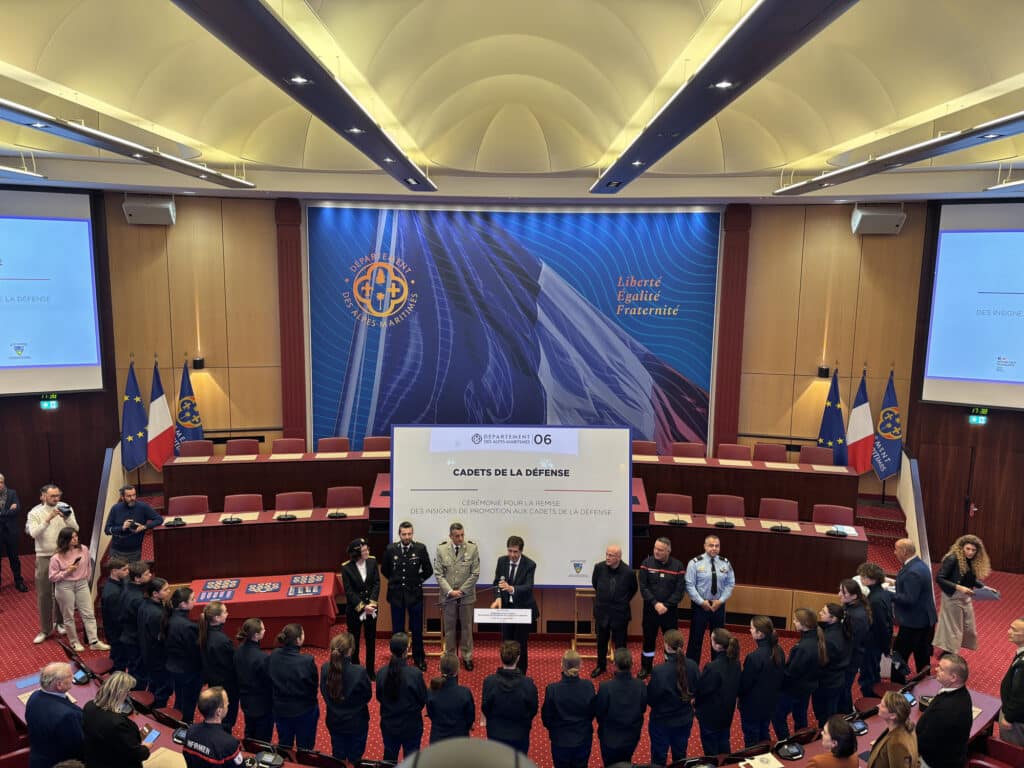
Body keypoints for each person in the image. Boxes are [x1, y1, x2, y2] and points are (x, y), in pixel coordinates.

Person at [26, 484, 78, 643]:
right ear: (42, 496)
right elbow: (33, 533)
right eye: (52, 496)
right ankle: (46, 629)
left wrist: (67, 518)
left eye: (58, 495)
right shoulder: (35, 513)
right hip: (44, 557)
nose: (56, 499)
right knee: (44, 594)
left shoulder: (66, 508)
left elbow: (76, 528)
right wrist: (47, 520)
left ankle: (61, 623)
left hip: (64, 555)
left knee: (62, 592)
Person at [381, 521, 434, 671]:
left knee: (416, 630)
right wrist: (395, 581)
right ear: (399, 534)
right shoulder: (391, 549)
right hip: (396, 595)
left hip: (414, 595)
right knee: (398, 631)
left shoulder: (420, 548)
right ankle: (398, 659)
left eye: (409, 534)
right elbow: (385, 570)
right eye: (404, 534)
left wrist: (418, 580)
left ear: (412, 533)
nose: (407, 537)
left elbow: (428, 570)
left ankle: (419, 658)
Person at [48, 527, 108, 652]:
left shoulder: (84, 549)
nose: (76, 539)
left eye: (76, 536)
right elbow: (52, 577)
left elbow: (88, 566)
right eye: (72, 537)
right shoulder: (56, 557)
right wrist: (67, 572)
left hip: (81, 584)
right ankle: (74, 642)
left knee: (88, 613)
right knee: (68, 615)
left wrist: (86, 578)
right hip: (64, 585)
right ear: (65, 540)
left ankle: (94, 641)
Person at [646, 629, 698, 766]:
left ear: (667, 646)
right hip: (684, 720)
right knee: (680, 756)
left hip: (661, 722)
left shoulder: (659, 671)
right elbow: (697, 690)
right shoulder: (693, 666)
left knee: (658, 757)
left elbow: (651, 699)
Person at [773, 607, 826, 739]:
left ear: (805, 624)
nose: (794, 622)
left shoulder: (802, 647)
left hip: (793, 689)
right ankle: (802, 739)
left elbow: (792, 672)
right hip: (807, 687)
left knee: (778, 715)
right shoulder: (817, 639)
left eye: (796, 620)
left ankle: (785, 742)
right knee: (800, 715)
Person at [934, 534, 991, 656]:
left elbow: (969, 578)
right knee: (954, 628)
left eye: (973, 550)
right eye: (968, 549)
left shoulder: (972, 561)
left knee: (968, 627)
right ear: (961, 548)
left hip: (965, 597)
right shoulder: (952, 558)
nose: (970, 552)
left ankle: (950, 650)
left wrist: (983, 587)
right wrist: (959, 587)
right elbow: (939, 578)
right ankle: (949, 654)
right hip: (952, 597)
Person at [433, 522, 480, 670]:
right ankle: (450, 658)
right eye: (457, 536)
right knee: (449, 628)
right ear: (450, 536)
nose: (460, 538)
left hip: (466, 596)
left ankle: (467, 657)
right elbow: (439, 574)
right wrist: (450, 591)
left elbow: (475, 573)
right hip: (448, 596)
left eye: (462, 535)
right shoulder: (441, 549)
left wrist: (461, 591)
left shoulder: (472, 548)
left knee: (466, 628)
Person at [321, 631, 372, 764]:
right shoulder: (359, 672)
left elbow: (324, 692)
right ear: (350, 651)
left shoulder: (325, 668)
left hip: (334, 721)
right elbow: (367, 696)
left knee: (338, 756)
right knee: (356, 758)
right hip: (357, 723)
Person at [638, 536, 686, 678]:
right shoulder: (646, 563)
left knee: (671, 642)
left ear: (668, 550)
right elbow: (643, 587)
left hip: (669, 612)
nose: (656, 552)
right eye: (655, 548)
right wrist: (655, 603)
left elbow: (680, 590)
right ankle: (646, 668)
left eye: (660, 550)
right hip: (650, 611)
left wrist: (666, 605)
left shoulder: (678, 566)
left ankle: (669, 669)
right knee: (648, 640)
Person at [489, 534, 538, 674]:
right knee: (506, 643)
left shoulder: (530, 564)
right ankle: (507, 671)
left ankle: (521, 673)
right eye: (510, 551)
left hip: (523, 608)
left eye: (515, 552)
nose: (512, 555)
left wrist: (512, 589)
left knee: (520, 644)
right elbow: (496, 583)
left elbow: (529, 587)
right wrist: (498, 597)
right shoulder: (501, 561)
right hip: (506, 608)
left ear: (521, 551)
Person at [82, 671, 151, 768]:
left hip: (94, 759)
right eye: (128, 692)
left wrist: (130, 733)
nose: (129, 695)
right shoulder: (118, 723)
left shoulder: (89, 706)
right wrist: (146, 748)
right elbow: (137, 754)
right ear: (121, 694)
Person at [377, 632, 428, 761]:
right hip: (411, 726)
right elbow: (423, 699)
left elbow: (379, 697)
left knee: (389, 759)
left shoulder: (381, 673)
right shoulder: (415, 674)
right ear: (407, 650)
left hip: (389, 725)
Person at [915, 653, 973, 768]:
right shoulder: (961, 693)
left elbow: (925, 743)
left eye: (941, 669)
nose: (936, 669)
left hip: (933, 762)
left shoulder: (947, 710)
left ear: (953, 678)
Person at [891, 538, 937, 683]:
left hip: (913, 622)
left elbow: (909, 599)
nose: (894, 552)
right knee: (921, 654)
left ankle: (897, 684)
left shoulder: (912, 572)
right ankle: (924, 683)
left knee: (899, 654)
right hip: (924, 619)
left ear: (904, 552)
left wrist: (888, 594)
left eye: (896, 549)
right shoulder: (919, 565)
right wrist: (894, 583)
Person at [481, 639, 538, 755]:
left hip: (495, 734)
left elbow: (485, 708)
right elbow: (533, 709)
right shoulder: (528, 684)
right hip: (520, 734)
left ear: (500, 657)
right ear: (518, 658)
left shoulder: (489, 682)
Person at [268, 623, 319, 750]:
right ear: (298, 640)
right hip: (304, 711)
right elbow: (314, 686)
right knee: (305, 748)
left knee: (284, 745)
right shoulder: (307, 661)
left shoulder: (274, 654)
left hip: (280, 710)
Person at [685, 534, 735, 663]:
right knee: (696, 639)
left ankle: (718, 666)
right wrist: (701, 602)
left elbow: (730, 584)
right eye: (711, 545)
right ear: (705, 546)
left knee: (720, 639)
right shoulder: (694, 563)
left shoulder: (725, 562)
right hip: (700, 605)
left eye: (717, 546)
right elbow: (689, 585)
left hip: (718, 605)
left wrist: (721, 600)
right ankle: (692, 668)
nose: (714, 548)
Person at [589, 544, 637, 678]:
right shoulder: (599, 568)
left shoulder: (629, 572)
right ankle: (601, 666)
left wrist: (621, 601)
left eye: (611, 555)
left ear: (619, 557)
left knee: (620, 644)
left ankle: (621, 669)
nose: (607, 558)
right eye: (607, 554)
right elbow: (595, 584)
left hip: (620, 614)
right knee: (601, 642)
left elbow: (633, 590)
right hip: (602, 612)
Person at [542, 649, 596, 768]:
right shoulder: (589, 686)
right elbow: (592, 713)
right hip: (583, 739)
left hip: (560, 741)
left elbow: (546, 718)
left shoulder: (552, 689)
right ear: (580, 665)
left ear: (562, 665)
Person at [25, 662, 84, 768]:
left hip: (37, 759)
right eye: (70, 676)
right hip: (60, 763)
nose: (73, 678)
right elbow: (78, 747)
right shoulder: (67, 716)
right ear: (59, 685)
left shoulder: (34, 697)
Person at [594, 647, 647, 765]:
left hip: (609, 738)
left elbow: (599, 713)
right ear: (632, 664)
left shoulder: (605, 687)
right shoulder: (641, 685)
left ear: (614, 665)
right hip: (631, 737)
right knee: (626, 763)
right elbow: (643, 708)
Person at [739, 615, 785, 747]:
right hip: (770, 703)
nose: (750, 630)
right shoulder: (779, 650)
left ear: (760, 633)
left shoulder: (754, 657)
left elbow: (745, 685)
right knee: (764, 733)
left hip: (753, 706)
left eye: (752, 628)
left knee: (751, 740)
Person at [695, 627, 741, 755]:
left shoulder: (712, 667)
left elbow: (702, 691)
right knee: (724, 744)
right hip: (727, 714)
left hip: (710, 716)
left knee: (711, 751)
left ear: (717, 645)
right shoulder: (736, 663)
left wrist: (696, 706)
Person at [341, 537, 380, 675]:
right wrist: (363, 607)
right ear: (356, 553)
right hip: (355, 611)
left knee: (371, 640)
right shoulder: (346, 567)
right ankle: (355, 668)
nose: (367, 551)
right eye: (364, 550)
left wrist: (372, 603)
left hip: (372, 609)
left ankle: (370, 670)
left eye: (367, 549)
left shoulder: (372, 561)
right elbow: (349, 592)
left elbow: (376, 583)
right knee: (354, 641)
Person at [199, 601, 239, 732]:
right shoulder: (221, 640)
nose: (227, 614)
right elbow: (230, 665)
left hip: (213, 681)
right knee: (226, 717)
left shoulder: (205, 633)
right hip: (226, 685)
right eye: (225, 612)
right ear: (216, 618)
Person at [164, 587, 202, 724]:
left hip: (174, 667)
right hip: (189, 671)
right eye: (192, 599)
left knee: (179, 698)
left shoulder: (169, 618)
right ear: (183, 604)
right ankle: (185, 726)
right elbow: (195, 652)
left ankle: (176, 723)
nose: (195, 601)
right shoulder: (188, 627)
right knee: (189, 702)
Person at [856, 562, 893, 698]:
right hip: (877, 643)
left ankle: (869, 703)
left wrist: (884, 647)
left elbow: (880, 626)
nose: (861, 578)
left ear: (872, 579)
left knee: (868, 676)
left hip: (872, 644)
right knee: (873, 672)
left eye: (863, 576)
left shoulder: (875, 600)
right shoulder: (882, 593)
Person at [183, 687, 244, 767]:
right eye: (226, 702)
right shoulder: (230, 743)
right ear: (219, 712)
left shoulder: (190, 731)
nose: (228, 703)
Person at [234, 618, 274, 742]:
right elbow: (268, 681)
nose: (265, 630)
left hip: (245, 700)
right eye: (263, 629)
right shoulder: (262, 658)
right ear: (256, 635)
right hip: (262, 703)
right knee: (263, 737)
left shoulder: (238, 650)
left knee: (249, 730)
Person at [102, 484, 163, 563]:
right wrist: (122, 528)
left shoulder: (142, 507)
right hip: (116, 551)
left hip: (135, 552)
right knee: (119, 575)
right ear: (122, 497)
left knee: (133, 575)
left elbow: (159, 519)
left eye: (134, 495)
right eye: (129, 496)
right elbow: (107, 530)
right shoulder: (115, 509)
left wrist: (144, 527)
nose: (132, 498)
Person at [812, 603, 851, 724]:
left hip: (826, 682)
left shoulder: (829, 639)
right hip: (838, 678)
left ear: (833, 618)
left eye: (823, 612)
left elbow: (823, 662)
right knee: (831, 711)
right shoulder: (844, 629)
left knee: (825, 716)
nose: (820, 613)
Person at [137, 576, 173, 708]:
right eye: (165, 590)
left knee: (153, 684)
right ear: (155, 594)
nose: (169, 592)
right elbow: (161, 638)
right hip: (158, 657)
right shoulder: (156, 614)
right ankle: (158, 713)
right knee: (163, 688)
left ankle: (149, 708)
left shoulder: (145, 604)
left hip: (148, 653)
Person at [428, 652, 476, 744]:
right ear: (458, 670)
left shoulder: (431, 691)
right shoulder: (465, 693)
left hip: (437, 739)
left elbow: (431, 714)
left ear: (439, 669)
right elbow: (470, 718)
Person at [837, 578, 870, 714]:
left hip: (851, 659)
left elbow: (852, 642)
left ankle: (847, 715)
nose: (839, 594)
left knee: (844, 688)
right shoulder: (851, 608)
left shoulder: (856, 616)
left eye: (843, 593)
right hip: (850, 656)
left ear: (854, 596)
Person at [866, 690, 919, 768]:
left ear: (893, 716)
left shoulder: (897, 743)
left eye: (883, 706)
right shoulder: (906, 726)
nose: (878, 706)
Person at [118, 562, 151, 686]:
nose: (150, 575)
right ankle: (138, 701)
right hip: (135, 639)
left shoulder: (128, 587)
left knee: (133, 670)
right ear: (137, 578)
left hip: (127, 635)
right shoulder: (138, 598)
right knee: (139, 675)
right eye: (147, 574)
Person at [0, 473, 28, 592]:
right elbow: (11, 511)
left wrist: (1, 513)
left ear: (4, 482)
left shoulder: (12, 493)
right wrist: (8, 511)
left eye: (0, 482)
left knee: (14, 558)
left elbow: (17, 510)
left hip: (11, 531)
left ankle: (18, 581)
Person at [101, 557, 130, 670]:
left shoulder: (119, 583)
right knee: (119, 664)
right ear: (114, 571)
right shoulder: (112, 592)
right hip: (117, 634)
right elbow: (117, 618)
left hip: (119, 633)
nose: (127, 572)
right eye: (124, 569)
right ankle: (117, 686)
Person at [999, 617, 1024, 746]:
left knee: (1011, 751)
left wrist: (1008, 718)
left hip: (1016, 721)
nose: (1008, 631)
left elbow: (1020, 695)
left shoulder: (1023, 664)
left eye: (1014, 630)